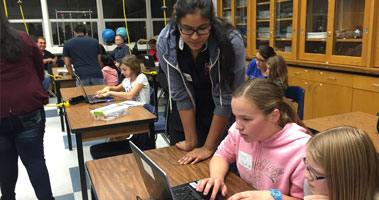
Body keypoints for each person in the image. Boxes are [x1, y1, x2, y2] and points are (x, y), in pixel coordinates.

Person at [157, 0, 245, 165]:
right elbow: (180, 93)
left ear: (211, 23)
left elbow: (225, 97)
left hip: (222, 116)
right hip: (187, 115)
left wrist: (208, 147)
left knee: (221, 169)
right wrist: (191, 141)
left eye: (202, 28)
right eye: (187, 29)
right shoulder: (166, 41)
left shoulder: (230, 42)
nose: (195, 37)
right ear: (178, 24)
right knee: (183, 173)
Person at [196, 78, 311, 200]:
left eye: (246, 119)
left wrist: (273, 197)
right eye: (236, 117)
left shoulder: (301, 150)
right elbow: (221, 155)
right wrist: (216, 177)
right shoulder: (239, 132)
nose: (238, 126)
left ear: (274, 116)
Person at [0, 10, 54, 200]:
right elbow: (40, 71)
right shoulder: (22, 38)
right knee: (35, 161)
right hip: (28, 108)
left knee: (5, 163)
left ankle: (7, 197)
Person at [304, 126, 379, 200]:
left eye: (316, 172)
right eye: (307, 166)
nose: (306, 176)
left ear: (346, 178)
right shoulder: (311, 184)